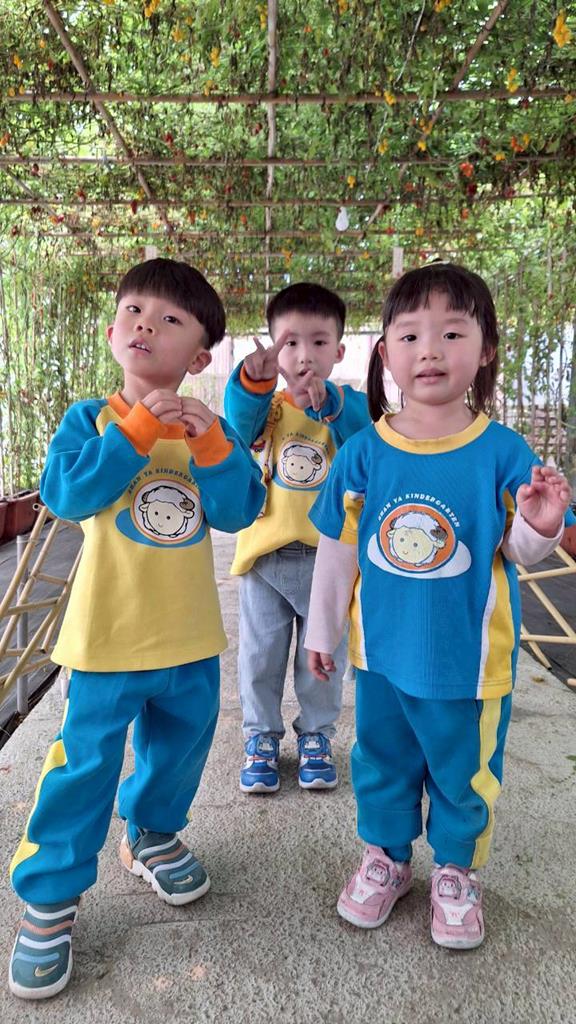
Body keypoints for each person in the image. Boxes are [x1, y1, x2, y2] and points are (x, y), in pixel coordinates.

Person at [8, 258, 265, 999]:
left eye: (171, 319)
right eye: (135, 310)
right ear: (113, 330)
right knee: (83, 766)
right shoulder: (89, 421)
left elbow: (240, 510)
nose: (147, 323)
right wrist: (141, 427)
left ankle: (151, 831)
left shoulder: (209, 431)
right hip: (106, 639)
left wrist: (213, 447)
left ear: (201, 358)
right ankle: (51, 895)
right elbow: (67, 492)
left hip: (190, 638)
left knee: (180, 751)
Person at [305, 263, 574, 949]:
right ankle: (386, 859)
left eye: (452, 333)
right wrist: (323, 631)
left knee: (464, 774)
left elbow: (515, 550)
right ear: (385, 352)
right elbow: (338, 550)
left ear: (485, 350)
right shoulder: (363, 452)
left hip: (469, 664)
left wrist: (540, 524)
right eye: (410, 335)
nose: (430, 350)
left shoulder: (503, 451)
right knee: (380, 761)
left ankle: (456, 870)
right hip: (381, 657)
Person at [224, 282, 369, 794]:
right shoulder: (267, 407)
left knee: (323, 656)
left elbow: (366, 443)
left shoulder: (349, 407)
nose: (304, 355)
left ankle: (316, 735)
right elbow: (237, 429)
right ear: (272, 349)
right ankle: (260, 736)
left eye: (319, 342)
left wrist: (332, 406)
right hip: (265, 557)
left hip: (331, 561)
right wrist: (251, 382)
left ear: (339, 351)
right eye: (289, 343)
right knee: (259, 655)